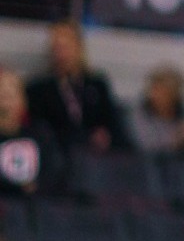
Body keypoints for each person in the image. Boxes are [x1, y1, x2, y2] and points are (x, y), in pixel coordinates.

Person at [25, 20, 130, 153]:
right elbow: (42, 131)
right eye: (57, 47)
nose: (62, 54)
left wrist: (107, 136)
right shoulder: (37, 89)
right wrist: (84, 138)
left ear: (79, 48)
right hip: (60, 158)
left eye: (67, 47)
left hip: (98, 159)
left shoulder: (97, 85)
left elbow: (114, 124)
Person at [0, 67, 63, 198]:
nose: (5, 102)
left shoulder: (40, 133)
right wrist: (16, 188)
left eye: (10, 95)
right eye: (2, 96)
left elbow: (53, 169)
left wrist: (37, 185)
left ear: (22, 101)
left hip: (37, 208)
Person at [129, 65, 184, 155]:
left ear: (174, 95)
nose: (156, 96)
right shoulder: (140, 111)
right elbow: (145, 144)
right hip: (147, 163)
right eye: (154, 90)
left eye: (163, 93)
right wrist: (179, 138)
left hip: (182, 162)